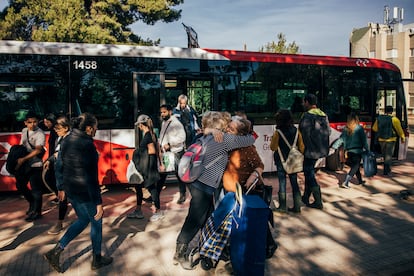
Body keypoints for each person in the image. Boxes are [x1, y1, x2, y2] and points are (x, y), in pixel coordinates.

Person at [174, 111, 255, 270]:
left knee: (207, 218)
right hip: (204, 186)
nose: (227, 127)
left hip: (197, 183)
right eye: (226, 125)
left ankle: (209, 249)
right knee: (195, 219)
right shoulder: (223, 140)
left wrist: (210, 130)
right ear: (220, 126)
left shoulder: (205, 137)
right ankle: (180, 252)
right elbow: (251, 138)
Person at [44, 113, 113, 272]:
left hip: (71, 189)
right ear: (89, 128)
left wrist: (60, 186)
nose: (97, 129)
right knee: (97, 220)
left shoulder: (67, 139)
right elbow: (91, 177)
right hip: (85, 191)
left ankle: (57, 250)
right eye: (95, 126)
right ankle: (97, 259)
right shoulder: (87, 145)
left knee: (83, 219)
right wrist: (98, 203)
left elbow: (59, 164)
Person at [223, 117, 278, 259]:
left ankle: (269, 245)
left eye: (231, 128)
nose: (227, 129)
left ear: (240, 134)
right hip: (231, 189)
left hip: (245, 191)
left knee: (254, 219)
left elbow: (259, 165)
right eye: (228, 127)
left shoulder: (247, 148)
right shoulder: (227, 143)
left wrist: (250, 180)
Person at [127, 114, 163, 222]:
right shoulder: (151, 135)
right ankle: (138, 210)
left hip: (148, 168)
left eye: (139, 125)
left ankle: (158, 211)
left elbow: (152, 151)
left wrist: (137, 153)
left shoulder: (148, 136)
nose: (138, 127)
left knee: (152, 189)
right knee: (138, 187)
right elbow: (157, 150)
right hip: (147, 167)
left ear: (142, 125)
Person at [299, 94, 330, 210]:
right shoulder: (324, 115)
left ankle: (318, 200)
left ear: (307, 102)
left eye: (304, 102)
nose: (303, 104)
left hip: (310, 150)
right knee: (309, 172)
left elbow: (304, 133)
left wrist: (304, 148)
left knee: (309, 173)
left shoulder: (307, 116)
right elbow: (329, 132)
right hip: (321, 149)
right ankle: (306, 197)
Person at [270, 109, 305, 213]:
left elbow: (273, 147)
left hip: (281, 161)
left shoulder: (278, 132)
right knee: (294, 182)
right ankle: (297, 206)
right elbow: (302, 147)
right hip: (293, 161)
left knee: (282, 182)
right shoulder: (296, 130)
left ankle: (282, 206)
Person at [15, 111, 46, 222]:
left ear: (38, 122)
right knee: (20, 185)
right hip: (25, 165)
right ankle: (32, 203)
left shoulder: (40, 133)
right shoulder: (24, 131)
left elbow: (38, 150)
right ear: (25, 123)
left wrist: (23, 159)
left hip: (36, 165)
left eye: (35, 122)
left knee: (36, 189)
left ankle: (37, 212)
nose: (32, 124)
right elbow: (22, 145)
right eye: (29, 122)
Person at [43, 115, 71, 234]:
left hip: (68, 174)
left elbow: (61, 157)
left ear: (66, 128)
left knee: (63, 197)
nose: (56, 131)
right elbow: (56, 153)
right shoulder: (60, 138)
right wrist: (50, 159)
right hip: (62, 172)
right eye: (55, 129)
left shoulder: (69, 140)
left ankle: (59, 224)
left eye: (58, 129)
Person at [173, 94, 200, 202]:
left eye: (184, 103)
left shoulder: (191, 110)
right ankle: (182, 193)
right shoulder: (175, 112)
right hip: (180, 144)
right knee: (179, 169)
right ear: (179, 102)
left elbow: (195, 122)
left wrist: (198, 129)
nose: (183, 105)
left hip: (191, 142)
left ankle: (194, 193)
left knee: (191, 168)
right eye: (181, 103)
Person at [158, 104, 187, 204]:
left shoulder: (176, 123)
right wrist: (160, 145)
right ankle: (155, 195)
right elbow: (162, 136)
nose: (162, 114)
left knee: (179, 174)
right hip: (167, 152)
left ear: (170, 112)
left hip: (177, 152)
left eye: (164, 112)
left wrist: (170, 144)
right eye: (161, 112)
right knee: (162, 174)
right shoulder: (164, 123)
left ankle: (183, 195)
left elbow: (182, 137)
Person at [332, 113, 369, 188]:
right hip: (357, 151)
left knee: (356, 166)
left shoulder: (346, 129)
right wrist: (367, 149)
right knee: (355, 166)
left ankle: (360, 180)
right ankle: (346, 182)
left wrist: (334, 146)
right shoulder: (359, 128)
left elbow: (341, 139)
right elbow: (364, 140)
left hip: (348, 152)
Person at [372, 105, 405, 176]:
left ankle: (386, 170)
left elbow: (374, 128)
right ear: (392, 111)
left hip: (381, 139)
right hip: (391, 140)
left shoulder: (379, 118)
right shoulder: (394, 119)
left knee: (384, 155)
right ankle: (386, 171)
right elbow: (399, 130)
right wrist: (402, 137)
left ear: (385, 110)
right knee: (389, 156)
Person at [42, 113, 59, 203]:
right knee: (51, 178)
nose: (46, 124)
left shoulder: (56, 132)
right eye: (45, 122)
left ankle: (62, 197)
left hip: (56, 159)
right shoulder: (53, 131)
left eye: (47, 122)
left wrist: (50, 159)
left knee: (51, 178)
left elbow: (57, 148)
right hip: (52, 158)